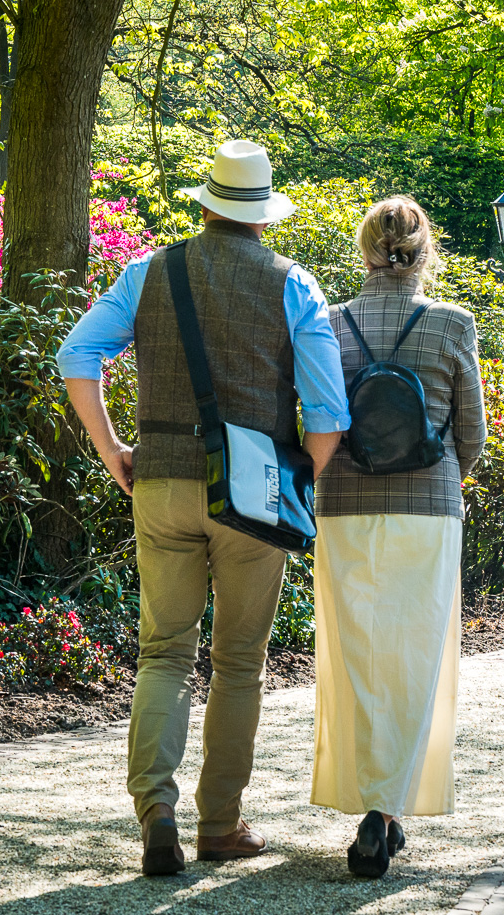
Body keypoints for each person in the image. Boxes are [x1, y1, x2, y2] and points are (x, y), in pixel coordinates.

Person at [57, 140, 349, 877]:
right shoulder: (293, 284)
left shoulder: (146, 272)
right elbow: (329, 411)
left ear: (209, 203)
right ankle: (219, 823)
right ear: (262, 214)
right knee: (239, 662)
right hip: (254, 494)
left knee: (164, 652)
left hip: (157, 476)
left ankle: (155, 810)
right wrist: (300, 480)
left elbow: (76, 356)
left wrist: (112, 449)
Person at [310, 195, 486, 878]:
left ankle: (371, 802)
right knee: (416, 657)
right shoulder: (453, 324)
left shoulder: (330, 325)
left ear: (365, 253)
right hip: (428, 506)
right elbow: (471, 434)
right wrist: (444, 476)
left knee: (356, 657)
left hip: (346, 505)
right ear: (425, 254)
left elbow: (320, 416)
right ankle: (387, 811)